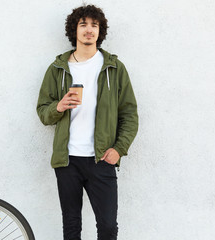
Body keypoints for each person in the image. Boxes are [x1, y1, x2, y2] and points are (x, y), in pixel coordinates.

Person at [36, 4, 138, 240]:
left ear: (100, 31)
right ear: (75, 30)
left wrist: (119, 149)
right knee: (71, 227)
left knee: (108, 226)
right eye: (83, 24)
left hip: (101, 158)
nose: (89, 29)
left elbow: (130, 113)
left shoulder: (113, 67)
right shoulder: (57, 68)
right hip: (67, 160)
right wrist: (58, 107)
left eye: (94, 25)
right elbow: (43, 112)